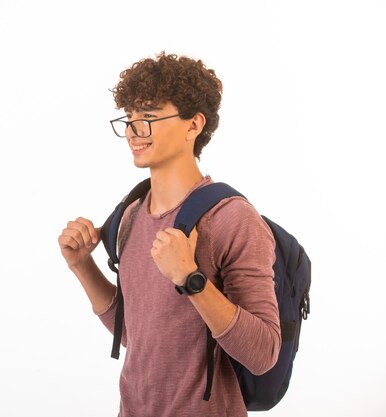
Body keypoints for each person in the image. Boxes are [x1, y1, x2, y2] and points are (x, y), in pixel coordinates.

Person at [57, 52, 281, 417]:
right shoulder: (129, 215)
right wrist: (83, 266)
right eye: (129, 118)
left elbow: (264, 354)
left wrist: (190, 279)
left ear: (193, 124)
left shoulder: (232, 219)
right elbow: (137, 335)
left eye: (147, 117)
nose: (133, 130)